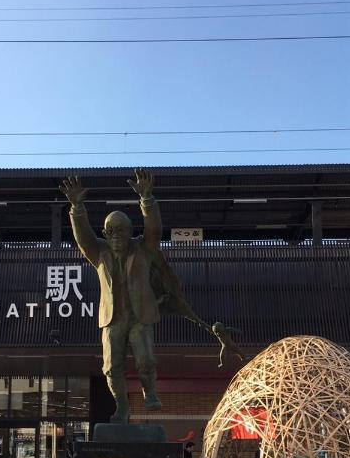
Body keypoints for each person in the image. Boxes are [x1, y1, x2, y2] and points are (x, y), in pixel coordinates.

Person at [61, 170, 243, 423]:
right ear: (105, 235)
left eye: (122, 231)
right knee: (111, 367)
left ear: (130, 232)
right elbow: (82, 236)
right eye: (111, 231)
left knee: (146, 359)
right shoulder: (98, 254)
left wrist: (146, 199)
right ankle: (122, 407)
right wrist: (77, 207)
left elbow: (154, 229)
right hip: (112, 319)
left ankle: (150, 392)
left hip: (140, 316)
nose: (117, 236)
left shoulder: (143, 250)